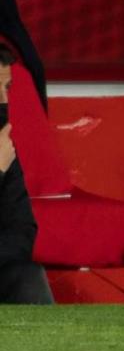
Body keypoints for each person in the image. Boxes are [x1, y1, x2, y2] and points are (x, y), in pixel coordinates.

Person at [0, 45, 54, 305]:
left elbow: (23, 229)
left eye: (7, 88)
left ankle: (53, 346)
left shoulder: (3, 144)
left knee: (28, 276)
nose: (3, 100)